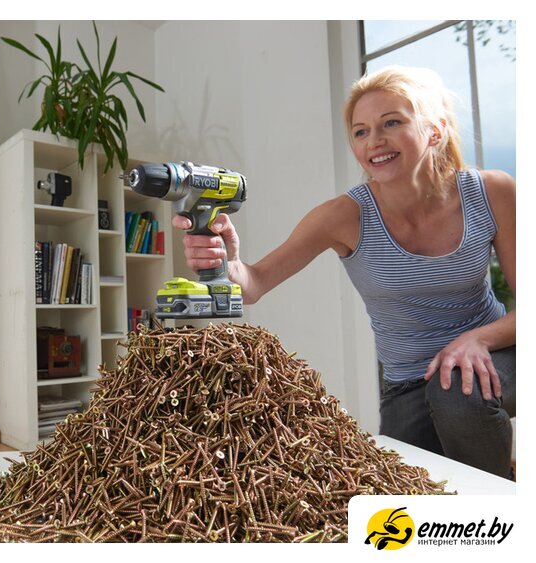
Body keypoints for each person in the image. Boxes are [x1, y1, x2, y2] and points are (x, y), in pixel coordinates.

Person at [174, 65, 516, 478]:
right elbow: (255, 284)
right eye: (360, 131)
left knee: (457, 396)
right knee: (402, 494)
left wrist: (477, 338)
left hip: (500, 354)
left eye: (392, 123)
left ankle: (502, 507)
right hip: (408, 384)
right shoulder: (342, 216)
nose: (375, 141)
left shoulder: (492, 192)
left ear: (435, 130)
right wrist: (228, 263)